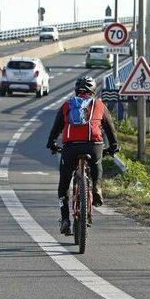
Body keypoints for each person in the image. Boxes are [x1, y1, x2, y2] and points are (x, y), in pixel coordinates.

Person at [46, 75, 119, 235]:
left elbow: (56, 128)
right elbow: (110, 128)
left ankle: (65, 219)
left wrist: (51, 144)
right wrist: (113, 146)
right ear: (93, 91)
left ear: (76, 90)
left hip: (71, 147)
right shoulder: (100, 105)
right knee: (96, 165)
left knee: (64, 185)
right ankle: (97, 188)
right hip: (94, 145)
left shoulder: (67, 105)